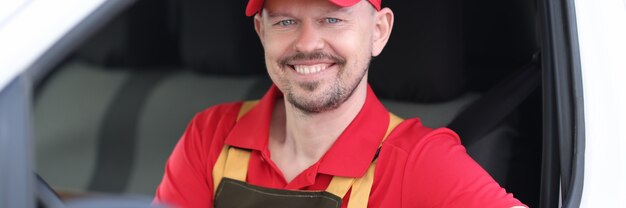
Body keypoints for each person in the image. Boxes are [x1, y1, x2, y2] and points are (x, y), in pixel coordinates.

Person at [154, 0, 527, 207]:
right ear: (260, 32)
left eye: (332, 19)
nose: (307, 43)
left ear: (378, 32)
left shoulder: (419, 162)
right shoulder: (212, 136)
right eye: (285, 22)